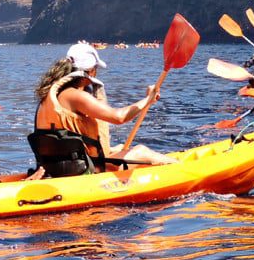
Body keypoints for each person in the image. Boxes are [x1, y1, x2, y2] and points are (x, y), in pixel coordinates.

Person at [29, 41, 175, 177]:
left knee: (119, 148)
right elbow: (119, 117)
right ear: (91, 71)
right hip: (83, 172)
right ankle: (180, 168)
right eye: (96, 69)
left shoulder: (50, 96)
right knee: (141, 151)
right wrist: (148, 99)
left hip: (56, 169)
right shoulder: (76, 96)